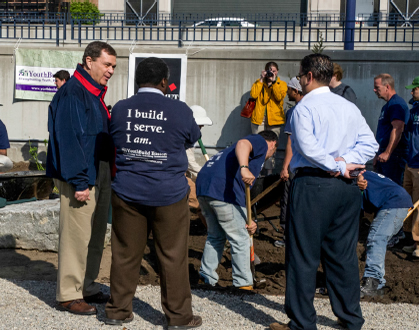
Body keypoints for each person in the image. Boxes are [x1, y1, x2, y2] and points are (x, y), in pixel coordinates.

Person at [269, 54, 378, 330]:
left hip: (313, 185)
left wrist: (335, 165)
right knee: (342, 254)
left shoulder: (304, 108)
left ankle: (303, 323)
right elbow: (370, 145)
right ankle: (351, 319)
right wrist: (344, 164)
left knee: (303, 254)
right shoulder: (349, 107)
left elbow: (306, 147)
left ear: (307, 77)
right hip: (347, 189)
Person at [104, 57, 202, 329]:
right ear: (163, 82)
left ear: (137, 80)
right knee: (172, 255)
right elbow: (191, 138)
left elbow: (112, 138)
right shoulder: (179, 109)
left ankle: (117, 311)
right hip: (168, 193)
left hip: (127, 191)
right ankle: (179, 318)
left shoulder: (121, 109)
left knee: (124, 254)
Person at [46, 41, 117, 315]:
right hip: (82, 175)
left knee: (95, 233)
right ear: (89, 61)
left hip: (96, 170)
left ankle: (86, 285)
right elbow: (69, 140)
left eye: (113, 66)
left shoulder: (92, 93)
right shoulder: (73, 93)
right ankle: (68, 293)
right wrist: (79, 181)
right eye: (106, 64)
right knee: (76, 236)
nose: (110, 70)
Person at [196, 130, 277, 289]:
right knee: (240, 239)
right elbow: (243, 143)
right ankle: (243, 285)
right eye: (273, 153)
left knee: (216, 236)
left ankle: (206, 278)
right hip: (222, 192)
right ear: (273, 145)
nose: (270, 156)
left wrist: (248, 219)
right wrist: (245, 167)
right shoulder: (260, 142)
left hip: (204, 189)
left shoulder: (228, 152)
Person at [357, 171, 412, 297]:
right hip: (396, 201)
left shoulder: (351, 179)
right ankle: (377, 283)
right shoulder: (357, 172)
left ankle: (374, 283)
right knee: (376, 237)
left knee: (377, 238)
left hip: (394, 203)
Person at [275, 77, 303, 247]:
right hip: (309, 165)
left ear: (296, 91)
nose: (287, 92)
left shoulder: (294, 112)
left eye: (290, 90)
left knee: (288, 199)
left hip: (295, 164)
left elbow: (291, 142)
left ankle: (287, 236)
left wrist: (285, 167)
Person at [250, 61, 287, 174]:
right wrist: (261, 80)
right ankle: (257, 171)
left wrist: (272, 83)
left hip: (274, 120)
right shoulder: (259, 83)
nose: (272, 73)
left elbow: (279, 97)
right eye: (270, 71)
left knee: (272, 146)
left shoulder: (282, 84)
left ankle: (269, 172)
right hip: (259, 118)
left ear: (277, 72)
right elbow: (253, 95)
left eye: (274, 71)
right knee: (257, 145)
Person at [373, 73, 410, 185]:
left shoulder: (396, 104)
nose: (374, 90)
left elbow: (398, 128)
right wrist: (377, 154)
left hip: (394, 157)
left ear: (387, 87)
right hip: (384, 156)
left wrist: (388, 153)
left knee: (391, 188)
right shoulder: (387, 106)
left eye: (377, 87)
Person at [402, 75, 419, 259]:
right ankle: (411, 239)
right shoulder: (415, 109)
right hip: (410, 162)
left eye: (415, 88)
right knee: (408, 202)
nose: (411, 91)